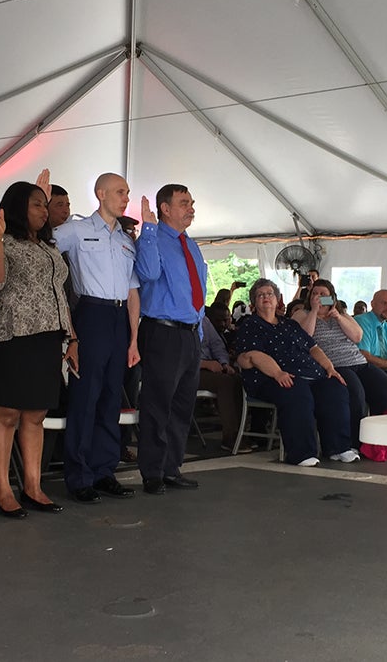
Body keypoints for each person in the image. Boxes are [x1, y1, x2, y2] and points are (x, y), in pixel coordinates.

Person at [0, 176, 70, 516]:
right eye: (36, 204)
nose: (44, 211)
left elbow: (59, 294)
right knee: (6, 413)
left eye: (45, 205)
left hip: (47, 337)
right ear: (17, 207)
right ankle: (3, 490)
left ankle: (33, 486)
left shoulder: (49, 247)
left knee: (36, 415)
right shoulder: (0, 240)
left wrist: (71, 337)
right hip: (13, 336)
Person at [53, 173, 141, 504]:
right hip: (90, 313)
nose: (126, 198)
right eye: (120, 192)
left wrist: (134, 339)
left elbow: (133, 290)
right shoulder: (75, 230)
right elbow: (44, 254)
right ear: (100, 194)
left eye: (128, 193)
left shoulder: (125, 239)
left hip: (120, 319)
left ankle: (104, 470)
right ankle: (78, 476)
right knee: (85, 397)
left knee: (110, 399)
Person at [234, 279, 357, 466]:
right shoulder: (250, 325)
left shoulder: (289, 324)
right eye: (260, 295)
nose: (266, 297)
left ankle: (338, 448)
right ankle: (301, 453)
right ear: (254, 303)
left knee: (335, 387)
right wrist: (277, 373)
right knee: (296, 391)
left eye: (270, 294)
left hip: (309, 374)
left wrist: (329, 368)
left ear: (278, 301)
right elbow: (253, 355)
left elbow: (313, 347)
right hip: (270, 377)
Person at [134, 185, 207, 494]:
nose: (191, 208)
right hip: (162, 331)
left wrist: (199, 332)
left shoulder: (190, 244)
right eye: (184, 203)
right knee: (157, 405)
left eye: (191, 202)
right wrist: (148, 229)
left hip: (190, 335)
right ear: (165, 208)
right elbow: (148, 273)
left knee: (181, 406)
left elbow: (198, 290)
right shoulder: (152, 238)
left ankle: (171, 468)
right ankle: (151, 471)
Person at [293, 279, 387, 446]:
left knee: (384, 385)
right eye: (315, 294)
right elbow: (305, 337)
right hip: (335, 365)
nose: (318, 297)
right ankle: (357, 442)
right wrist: (314, 311)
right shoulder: (302, 314)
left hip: (358, 361)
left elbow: (357, 336)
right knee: (356, 392)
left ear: (331, 297)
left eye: (323, 295)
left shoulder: (341, 315)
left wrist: (338, 317)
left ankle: (383, 439)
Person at [199, 312, 244, 452]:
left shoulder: (204, 320)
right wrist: (205, 364)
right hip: (192, 369)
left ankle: (241, 431)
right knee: (225, 383)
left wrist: (224, 363)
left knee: (238, 380)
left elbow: (216, 344)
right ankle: (230, 437)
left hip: (213, 366)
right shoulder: (177, 319)